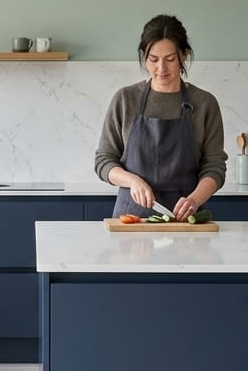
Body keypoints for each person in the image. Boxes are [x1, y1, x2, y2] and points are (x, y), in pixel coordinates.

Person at [94, 14, 227, 220]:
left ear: (184, 55)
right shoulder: (125, 99)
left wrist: (194, 200)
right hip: (131, 219)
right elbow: (104, 160)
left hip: (185, 219)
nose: (161, 68)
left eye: (170, 59)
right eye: (153, 59)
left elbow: (214, 167)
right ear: (144, 57)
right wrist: (132, 181)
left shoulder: (204, 103)